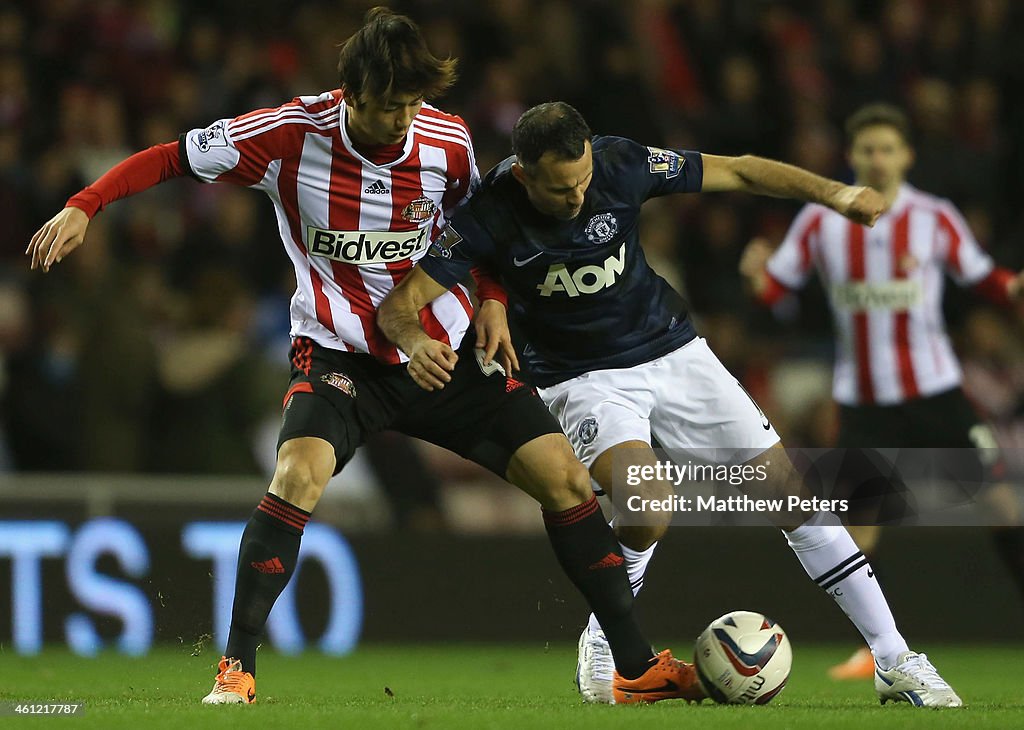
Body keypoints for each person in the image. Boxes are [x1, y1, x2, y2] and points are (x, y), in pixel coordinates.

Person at [25, 10, 703, 706]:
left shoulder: (447, 139)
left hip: (445, 355)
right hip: (342, 357)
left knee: (563, 479)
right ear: (350, 95)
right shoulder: (289, 135)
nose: (404, 118)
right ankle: (236, 669)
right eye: (389, 106)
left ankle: (631, 665)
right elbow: (171, 155)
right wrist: (86, 204)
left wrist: (494, 301)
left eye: (413, 102)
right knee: (297, 474)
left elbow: (483, 231)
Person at [378, 101, 963, 707]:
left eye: (582, 179)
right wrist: (418, 340)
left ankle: (895, 657)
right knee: (648, 502)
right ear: (524, 174)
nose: (578, 196)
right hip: (581, 378)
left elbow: (739, 170)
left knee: (791, 493)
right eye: (560, 189)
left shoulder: (620, 163)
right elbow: (399, 304)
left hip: (673, 349)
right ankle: (608, 632)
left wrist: (835, 195)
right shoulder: (487, 212)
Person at [740, 102, 1024, 680]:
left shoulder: (934, 217)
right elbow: (778, 293)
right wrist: (755, 278)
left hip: (937, 392)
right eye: (868, 148)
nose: (878, 158)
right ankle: (876, 648)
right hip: (864, 400)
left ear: (906, 156)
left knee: (1002, 505)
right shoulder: (822, 220)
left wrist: (1016, 287)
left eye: (888, 148)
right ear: (851, 156)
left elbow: (985, 278)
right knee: (861, 526)